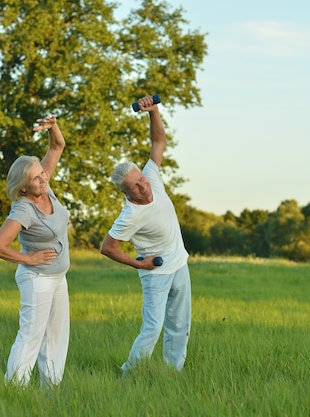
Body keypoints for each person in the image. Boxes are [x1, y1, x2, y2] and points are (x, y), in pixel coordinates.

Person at [100, 95, 192, 375]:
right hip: (156, 273)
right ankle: (129, 375)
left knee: (180, 325)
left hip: (180, 264)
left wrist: (153, 112)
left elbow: (158, 142)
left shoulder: (151, 176)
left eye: (141, 180)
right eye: (136, 187)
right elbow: (107, 247)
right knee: (153, 327)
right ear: (126, 193)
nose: (144, 187)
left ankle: (172, 373)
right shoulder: (129, 215)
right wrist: (140, 264)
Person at [0, 115, 70, 387]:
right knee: (30, 337)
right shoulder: (24, 208)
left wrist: (52, 127)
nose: (43, 177)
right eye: (36, 178)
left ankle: (51, 392)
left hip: (58, 277)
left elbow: (57, 146)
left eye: (42, 172)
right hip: (37, 279)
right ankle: (14, 391)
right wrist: (28, 258)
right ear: (24, 186)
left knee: (56, 337)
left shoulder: (45, 186)